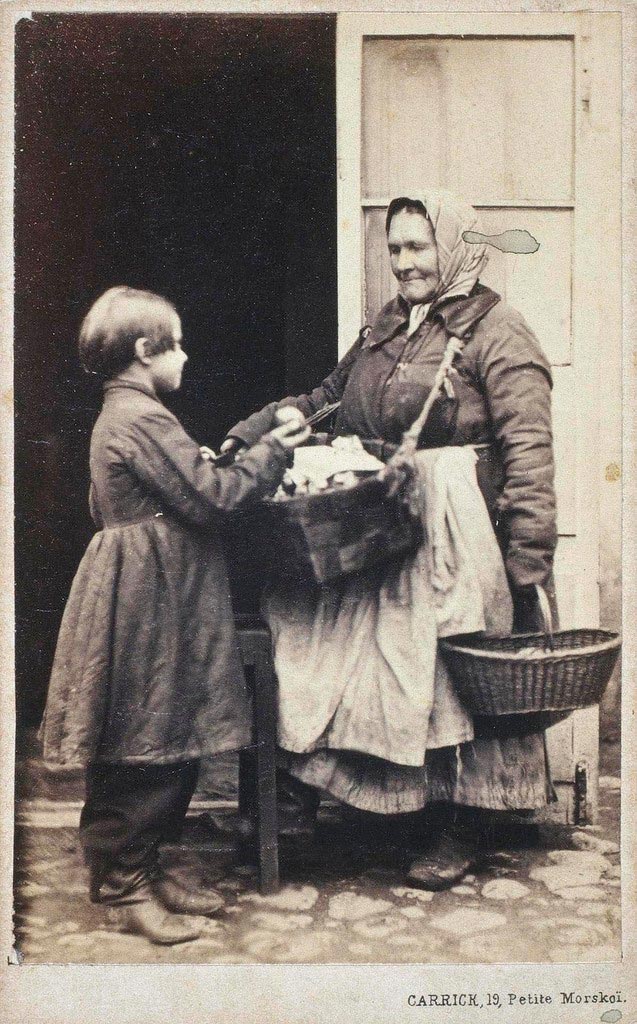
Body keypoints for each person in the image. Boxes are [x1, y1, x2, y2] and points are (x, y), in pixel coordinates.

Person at [220, 190, 558, 889]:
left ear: (454, 247)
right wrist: (249, 433)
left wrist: (527, 557)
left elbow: (528, 447)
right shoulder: (384, 331)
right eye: (396, 249)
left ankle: (458, 823)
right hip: (379, 525)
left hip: (458, 534)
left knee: (446, 674)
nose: (405, 263)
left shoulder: (498, 331)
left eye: (418, 246)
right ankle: (318, 800)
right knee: (316, 634)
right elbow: (321, 402)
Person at [40, 286, 310, 944]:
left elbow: (184, 484)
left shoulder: (123, 414)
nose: (185, 357)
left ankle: (142, 870)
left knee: (158, 733)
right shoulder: (143, 418)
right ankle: (126, 885)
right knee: (147, 741)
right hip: (151, 599)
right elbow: (216, 499)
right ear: (143, 351)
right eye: (177, 344)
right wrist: (272, 451)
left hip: (154, 592)